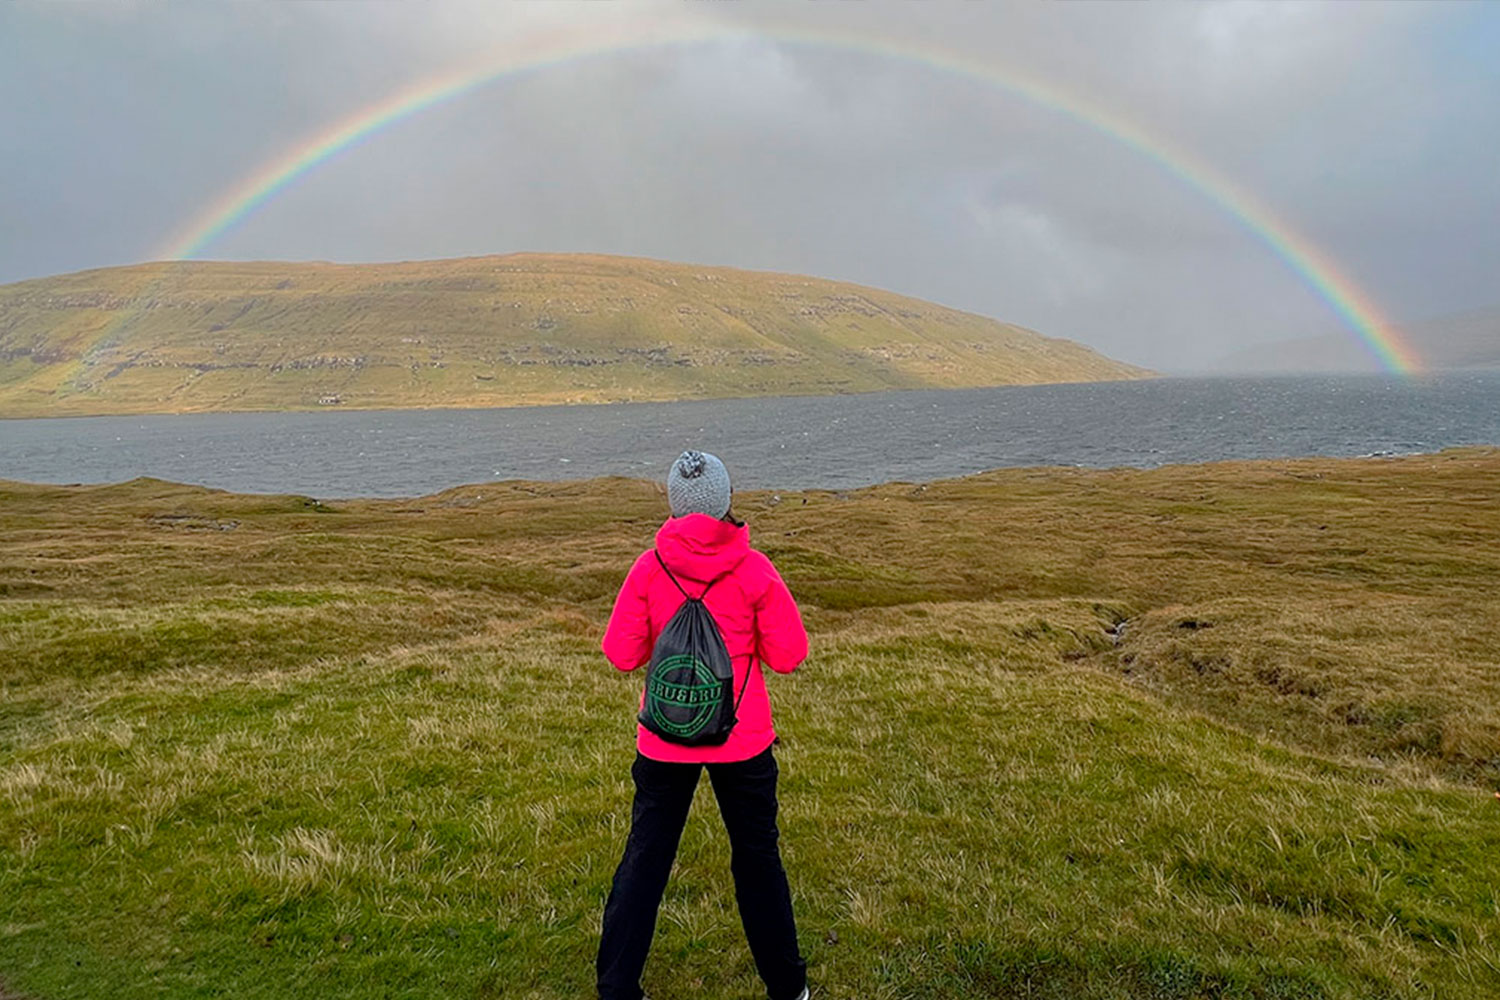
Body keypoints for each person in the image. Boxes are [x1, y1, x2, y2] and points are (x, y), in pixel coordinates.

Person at [597, 449, 810, 1000]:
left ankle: (617, 988)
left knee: (645, 859)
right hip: (742, 742)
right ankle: (788, 989)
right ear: (725, 502)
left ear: (674, 503)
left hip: (664, 742)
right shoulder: (755, 569)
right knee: (758, 860)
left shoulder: (648, 568)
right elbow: (789, 655)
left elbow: (621, 654)